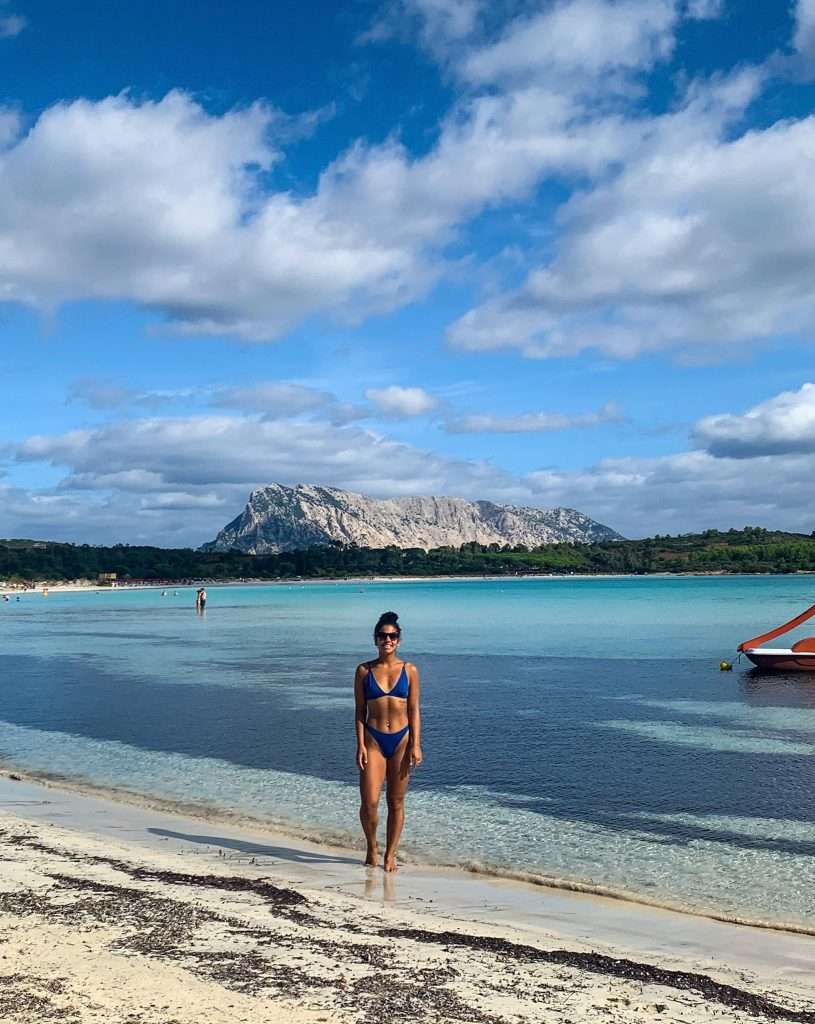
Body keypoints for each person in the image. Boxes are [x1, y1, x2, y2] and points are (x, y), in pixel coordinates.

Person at [354, 610, 422, 873]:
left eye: (392, 636)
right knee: (369, 801)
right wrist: (359, 744)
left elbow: (414, 709)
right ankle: (372, 846)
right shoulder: (363, 671)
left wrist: (416, 743)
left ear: (399, 640)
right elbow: (360, 711)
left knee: (396, 801)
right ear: (375, 639)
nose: (387, 639)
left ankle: (391, 854)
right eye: (383, 635)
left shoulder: (410, 670)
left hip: (402, 741)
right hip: (373, 739)